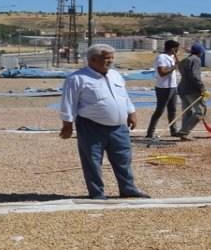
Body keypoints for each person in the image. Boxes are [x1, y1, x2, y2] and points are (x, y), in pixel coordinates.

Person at [59, 44, 150, 200]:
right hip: (91, 126)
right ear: (93, 59)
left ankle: (128, 189)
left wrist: (131, 112)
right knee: (93, 161)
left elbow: (124, 96)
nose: (111, 61)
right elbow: (68, 102)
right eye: (107, 58)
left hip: (119, 127)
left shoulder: (115, 75)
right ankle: (97, 192)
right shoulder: (77, 79)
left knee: (123, 159)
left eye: (112, 58)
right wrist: (67, 125)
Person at [144, 40, 181, 139]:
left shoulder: (171, 57)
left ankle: (174, 131)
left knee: (172, 110)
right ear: (172, 48)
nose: (178, 50)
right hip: (163, 88)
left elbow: (176, 60)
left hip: (173, 87)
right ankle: (150, 133)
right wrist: (174, 67)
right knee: (159, 111)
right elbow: (162, 73)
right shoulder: (161, 58)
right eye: (177, 48)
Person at [175, 44, 207, 141]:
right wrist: (202, 88)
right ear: (200, 52)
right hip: (191, 89)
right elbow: (195, 76)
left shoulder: (185, 60)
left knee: (187, 112)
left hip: (182, 89)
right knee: (200, 112)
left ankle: (183, 134)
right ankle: (184, 132)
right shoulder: (196, 60)